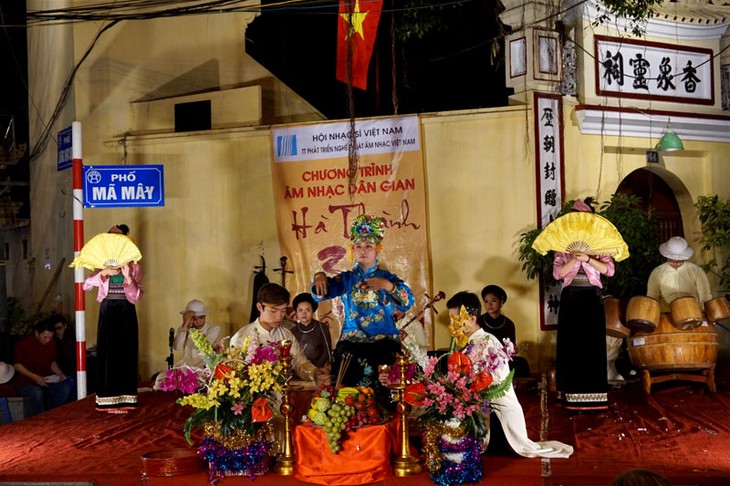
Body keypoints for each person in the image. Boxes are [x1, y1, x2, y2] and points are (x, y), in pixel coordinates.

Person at [445, 291, 573, 458]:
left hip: (493, 402)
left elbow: (493, 382)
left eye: (455, 320)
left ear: (471, 319)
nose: (452, 325)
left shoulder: (487, 342)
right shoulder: (464, 342)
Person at [311, 213, 414, 405]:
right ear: (353, 250)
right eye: (358, 246)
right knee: (350, 402)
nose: (363, 251)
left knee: (385, 403)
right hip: (352, 348)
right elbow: (319, 294)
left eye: (368, 246)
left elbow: (407, 302)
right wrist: (319, 276)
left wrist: (387, 286)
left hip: (384, 348)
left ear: (377, 249)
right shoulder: (347, 279)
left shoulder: (388, 278)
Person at [553, 198, 615, 411]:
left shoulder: (600, 243)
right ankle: (570, 393)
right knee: (572, 345)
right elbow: (557, 273)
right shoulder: (563, 245)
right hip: (571, 297)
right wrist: (574, 259)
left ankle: (595, 394)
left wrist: (588, 258)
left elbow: (609, 270)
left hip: (592, 297)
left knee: (593, 343)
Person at [83, 224, 143, 413]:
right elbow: (86, 286)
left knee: (127, 352)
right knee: (108, 353)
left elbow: (137, 296)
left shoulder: (133, 267)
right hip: (108, 310)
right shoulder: (101, 265)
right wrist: (103, 273)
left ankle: (126, 399)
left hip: (126, 310)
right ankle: (108, 400)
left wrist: (128, 279)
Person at [230, 283, 329, 385]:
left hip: (283, 394)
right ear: (259, 307)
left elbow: (300, 364)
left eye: (283, 310)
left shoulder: (286, 334)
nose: (279, 316)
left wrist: (314, 373)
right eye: (273, 310)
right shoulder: (242, 337)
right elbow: (236, 377)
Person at [13, 317, 73, 415]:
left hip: (47, 378)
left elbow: (52, 362)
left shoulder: (52, 343)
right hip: (27, 380)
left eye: (50, 337)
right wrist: (36, 378)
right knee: (36, 392)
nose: (48, 340)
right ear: (37, 333)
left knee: (65, 387)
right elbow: (17, 365)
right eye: (45, 337)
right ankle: (40, 417)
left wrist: (60, 374)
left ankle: (53, 414)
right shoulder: (23, 344)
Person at [647, 236, 711, 313]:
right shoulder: (657, 272)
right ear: (667, 256)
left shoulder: (696, 270)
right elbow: (652, 296)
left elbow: (705, 295)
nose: (675, 263)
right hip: (667, 312)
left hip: (692, 310)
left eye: (679, 260)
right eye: (672, 260)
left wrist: (707, 312)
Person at [478, 284, 530, 378]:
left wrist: (512, 350)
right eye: (486, 301)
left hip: (503, 361)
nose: (489, 304)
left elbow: (511, 349)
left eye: (493, 301)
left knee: (521, 363)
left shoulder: (509, 324)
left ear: (501, 302)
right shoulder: (478, 322)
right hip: (483, 360)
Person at [290, 293, 332, 369]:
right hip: (300, 370)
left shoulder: (322, 328)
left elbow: (327, 352)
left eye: (308, 310)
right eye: (300, 310)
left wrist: (315, 369)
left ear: (313, 311)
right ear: (296, 312)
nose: (304, 313)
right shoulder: (293, 331)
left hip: (320, 369)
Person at [52, 315, 76, 380]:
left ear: (65, 326)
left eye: (59, 328)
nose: (57, 331)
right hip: (56, 370)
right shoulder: (51, 339)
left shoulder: (71, 337)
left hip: (70, 368)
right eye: (54, 329)